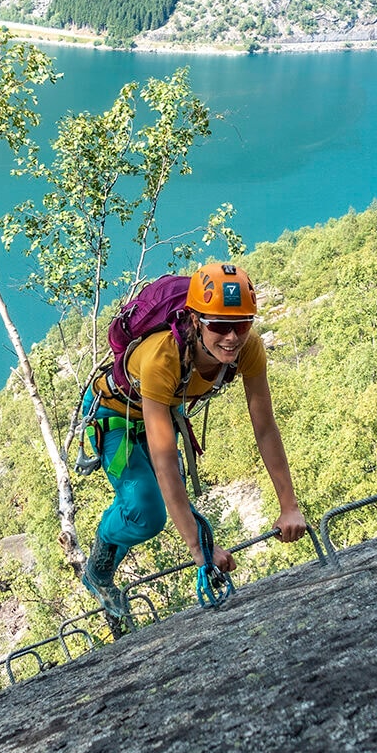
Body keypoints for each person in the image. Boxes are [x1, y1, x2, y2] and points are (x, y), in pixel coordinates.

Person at [81, 262, 307, 616]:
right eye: (219, 325)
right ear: (195, 319)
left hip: (164, 410)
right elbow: (165, 459)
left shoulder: (248, 349)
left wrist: (289, 504)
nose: (232, 337)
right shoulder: (163, 357)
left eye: (242, 324)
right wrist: (199, 549)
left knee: (165, 501)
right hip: (116, 417)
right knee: (146, 512)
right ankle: (101, 559)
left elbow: (264, 427)